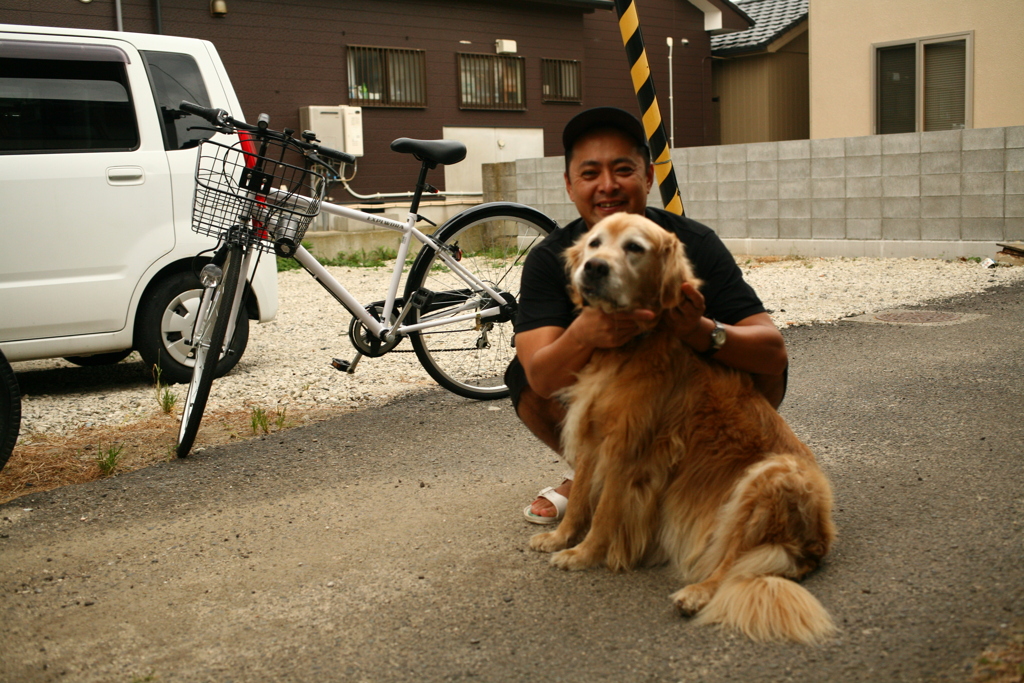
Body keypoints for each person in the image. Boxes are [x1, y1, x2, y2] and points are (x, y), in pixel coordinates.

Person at [505, 107, 789, 524]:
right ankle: (594, 474)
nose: (608, 185)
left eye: (623, 169)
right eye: (590, 173)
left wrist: (699, 330)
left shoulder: (691, 242)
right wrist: (584, 334)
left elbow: (773, 355)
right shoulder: (551, 258)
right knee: (523, 376)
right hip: (612, 416)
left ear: (649, 176)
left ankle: (702, 475)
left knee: (752, 358)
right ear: (569, 185)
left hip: (692, 413)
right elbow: (541, 379)